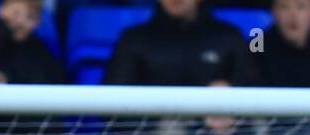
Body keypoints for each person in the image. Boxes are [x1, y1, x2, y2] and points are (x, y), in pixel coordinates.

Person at [104, 0, 255, 87]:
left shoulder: (228, 36)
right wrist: (156, 123)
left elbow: (254, 89)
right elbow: (109, 104)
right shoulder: (133, 39)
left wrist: (229, 91)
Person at [253, 0, 310, 89]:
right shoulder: (255, 51)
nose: (293, 14)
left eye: (300, 6)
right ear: (273, 12)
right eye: (284, 6)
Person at [0, 0, 64, 85]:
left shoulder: (39, 51)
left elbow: (49, 79)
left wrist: (8, 78)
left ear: (38, 22)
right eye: (16, 14)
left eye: (30, 17)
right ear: (1, 10)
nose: (20, 21)